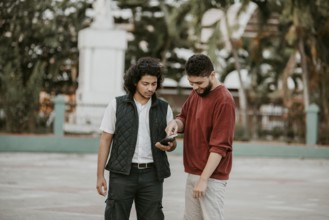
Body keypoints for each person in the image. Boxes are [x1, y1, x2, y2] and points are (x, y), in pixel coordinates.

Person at [96, 57, 176, 220]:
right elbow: (105, 140)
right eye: (145, 84)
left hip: (152, 175)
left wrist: (170, 145)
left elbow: (172, 142)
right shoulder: (116, 105)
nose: (150, 88)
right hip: (122, 174)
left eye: (154, 84)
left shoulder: (164, 108)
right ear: (135, 82)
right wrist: (100, 175)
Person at [158, 54, 235, 220]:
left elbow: (220, 146)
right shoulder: (197, 93)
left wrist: (204, 179)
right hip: (194, 173)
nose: (195, 87)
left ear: (212, 75)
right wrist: (175, 124)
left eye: (199, 83)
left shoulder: (224, 101)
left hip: (211, 178)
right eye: (191, 83)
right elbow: (184, 117)